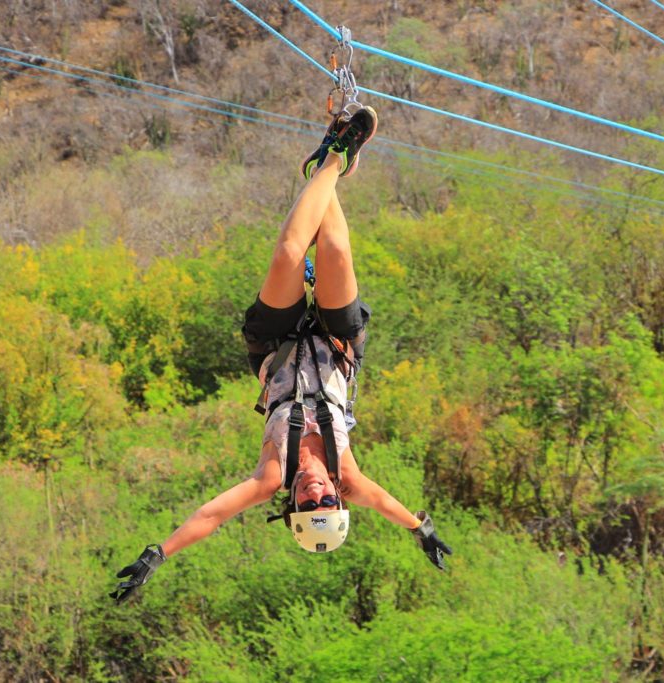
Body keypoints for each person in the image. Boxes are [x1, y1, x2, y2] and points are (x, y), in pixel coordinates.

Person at [111, 107, 452, 604]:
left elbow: (211, 516)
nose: (317, 491)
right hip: (338, 344)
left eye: (307, 502)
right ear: (338, 498)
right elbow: (388, 505)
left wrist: (155, 557)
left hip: (276, 344)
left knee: (291, 252)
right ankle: (329, 166)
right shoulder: (349, 477)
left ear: (290, 504)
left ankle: (330, 161)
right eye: (326, 501)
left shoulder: (272, 474)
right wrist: (423, 531)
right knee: (334, 248)